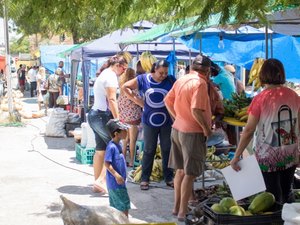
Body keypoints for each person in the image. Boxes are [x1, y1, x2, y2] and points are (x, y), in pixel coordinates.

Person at [230, 58, 300, 204]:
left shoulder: (260, 98)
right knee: (286, 193)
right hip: (290, 154)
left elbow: (249, 130)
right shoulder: (294, 96)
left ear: (263, 75)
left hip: (267, 157)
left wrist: (236, 156)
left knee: (271, 197)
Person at [164, 55, 213, 221]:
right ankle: (183, 212)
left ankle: (176, 207)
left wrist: (178, 116)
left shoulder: (181, 80)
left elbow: (167, 100)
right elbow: (196, 110)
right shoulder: (200, 83)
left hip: (177, 129)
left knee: (180, 171)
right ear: (207, 71)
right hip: (192, 132)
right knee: (190, 174)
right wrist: (206, 129)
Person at [122, 60, 175, 191]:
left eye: (165, 73)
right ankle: (145, 179)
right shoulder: (142, 79)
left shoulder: (171, 80)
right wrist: (137, 101)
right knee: (149, 150)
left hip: (167, 121)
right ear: (153, 70)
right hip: (149, 121)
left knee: (167, 149)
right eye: (160, 73)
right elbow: (125, 87)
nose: (163, 75)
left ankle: (169, 178)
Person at [87, 55, 128, 193]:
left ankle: (97, 183)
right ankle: (101, 181)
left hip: (94, 114)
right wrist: (118, 121)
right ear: (117, 65)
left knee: (101, 150)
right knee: (114, 148)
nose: (124, 71)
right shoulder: (111, 76)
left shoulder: (103, 74)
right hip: (102, 115)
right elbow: (112, 99)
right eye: (124, 68)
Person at [105, 119, 131, 217]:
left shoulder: (119, 145)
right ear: (116, 133)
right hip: (115, 184)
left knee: (118, 207)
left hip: (119, 183)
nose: (126, 132)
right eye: (124, 130)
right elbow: (107, 164)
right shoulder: (111, 147)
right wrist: (116, 175)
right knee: (124, 207)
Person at [118, 68, 142, 167]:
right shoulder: (133, 89)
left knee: (124, 140)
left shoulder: (121, 89)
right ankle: (132, 160)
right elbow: (139, 101)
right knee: (133, 140)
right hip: (133, 118)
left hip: (123, 117)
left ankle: (123, 158)